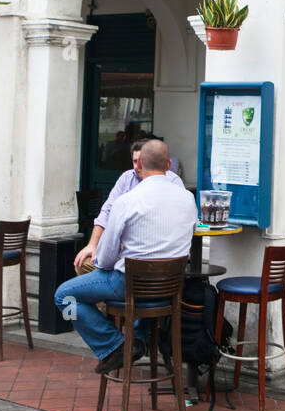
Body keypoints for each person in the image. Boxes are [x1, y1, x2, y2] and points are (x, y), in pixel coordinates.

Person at [55, 139, 197, 374]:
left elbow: (107, 258)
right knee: (138, 290)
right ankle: (137, 341)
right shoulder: (187, 198)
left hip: (127, 285)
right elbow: (189, 239)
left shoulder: (127, 201)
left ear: (138, 164)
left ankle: (112, 344)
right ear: (169, 164)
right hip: (169, 287)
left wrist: (102, 260)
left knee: (63, 297)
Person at [74, 136, 185, 271]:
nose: (138, 167)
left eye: (141, 162)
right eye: (134, 161)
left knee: (64, 291)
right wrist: (92, 245)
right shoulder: (127, 178)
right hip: (122, 246)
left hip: (153, 251)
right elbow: (106, 212)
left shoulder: (172, 182)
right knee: (83, 264)